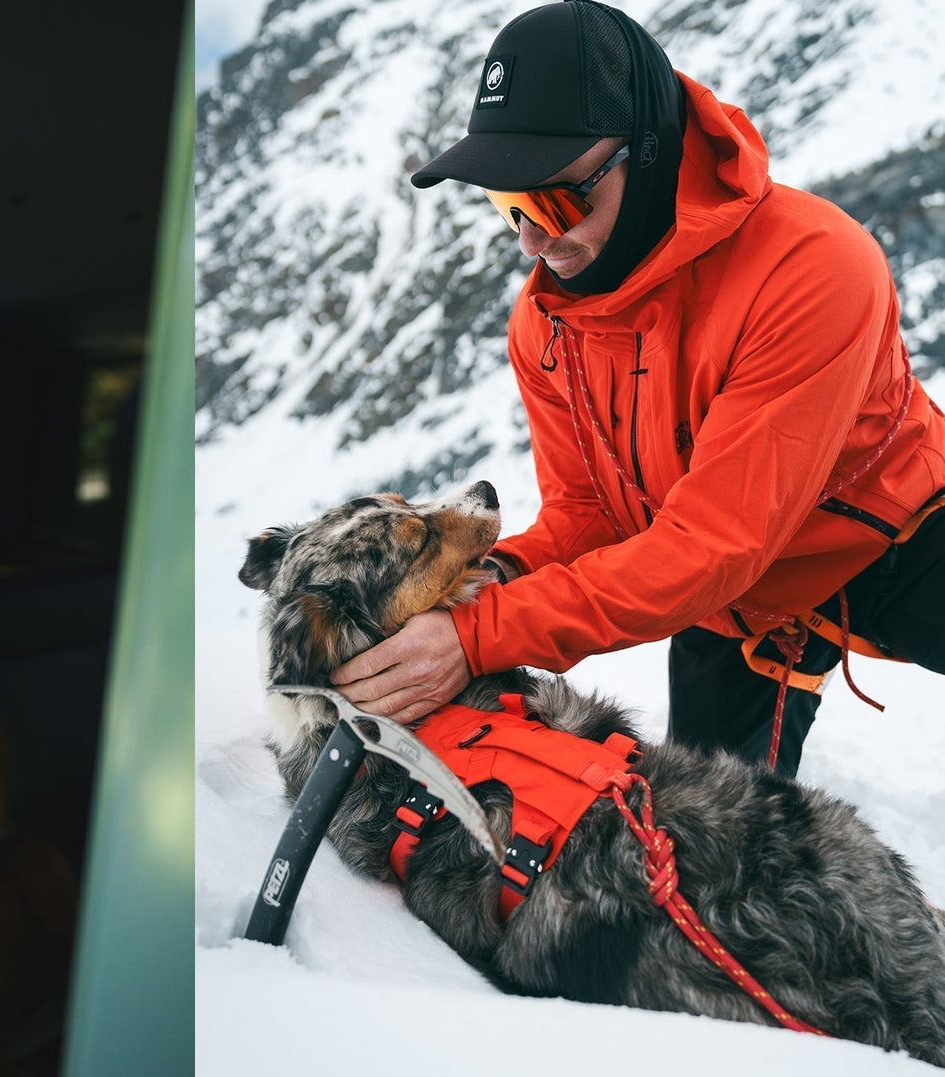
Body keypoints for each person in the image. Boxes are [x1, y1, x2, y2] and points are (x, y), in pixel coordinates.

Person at [330, 0, 945, 776]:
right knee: (712, 850)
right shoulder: (546, 324)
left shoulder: (813, 267)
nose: (532, 241)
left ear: (646, 154)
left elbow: (715, 542)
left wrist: (478, 636)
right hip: (725, 607)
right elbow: (590, 514)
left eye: (556, 200)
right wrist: (485, 586)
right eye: (507, 207)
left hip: (892, 536)